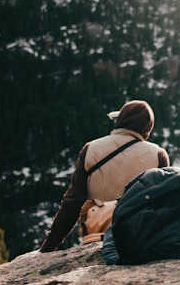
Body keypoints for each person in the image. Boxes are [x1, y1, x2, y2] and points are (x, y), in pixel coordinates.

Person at [39, 100, 169, 252]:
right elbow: (163, 204)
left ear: (119, 122)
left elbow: (72, 202)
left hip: (96, 235)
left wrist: (48, 246)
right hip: (139, 237)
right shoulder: (158, 155)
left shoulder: (91, 149)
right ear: (147, 129)